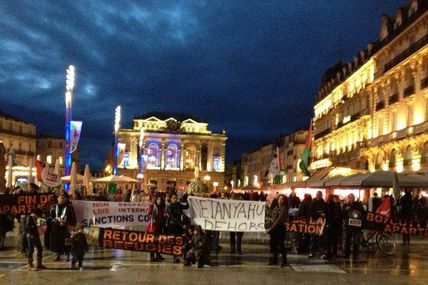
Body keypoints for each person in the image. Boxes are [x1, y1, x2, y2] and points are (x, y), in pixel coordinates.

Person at [49, 195, 76, 261]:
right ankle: (58, 255)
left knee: (67, 241)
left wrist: (71, 225)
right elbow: (51, 217)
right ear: (57, 199)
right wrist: (55, 221)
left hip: (66, 226)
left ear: (65, 199)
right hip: (56, 226)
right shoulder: (54, 207)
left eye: (63, 198)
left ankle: (68, 255)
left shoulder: (69, 207)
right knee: (57, 241)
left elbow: (72, 217)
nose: (62, 200)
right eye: (60, 198)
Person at [266, 194, 288, 267]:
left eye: (282, 199)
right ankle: (275, 260)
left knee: (281, 245)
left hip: (280, 228)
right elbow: (272, 215)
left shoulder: (284, 208)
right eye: (279, 199)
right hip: (274, 228)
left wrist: (270, 228)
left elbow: (278, 220)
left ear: (284, 201)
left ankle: (284, 261)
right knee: (274, 245)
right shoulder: (276, 207)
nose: (280, 200)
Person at [166, 193, 189, 262]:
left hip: (179, 226)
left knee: (180, 241)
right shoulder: (170, 206)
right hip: (173, 225)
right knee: (175, 241)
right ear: (171, 199)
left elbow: (186, 207)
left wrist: (188, 198)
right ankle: (175, 257)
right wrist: (182, 225)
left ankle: (180, 255)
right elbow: (173, 218)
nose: (175, 199)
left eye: (176, 198)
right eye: (173, 198)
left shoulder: (178, 204)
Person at [343, 193, 365, 258]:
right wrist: (346, 210)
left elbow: (363, 213)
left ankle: (355, 254)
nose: (351, 199)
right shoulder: (346, 205)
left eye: (352, 198)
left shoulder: (358, 204)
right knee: (348, 240)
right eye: (350, 197)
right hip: (349, 225)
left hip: (357, 225)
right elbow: (343, 215)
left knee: (356, 240)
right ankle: (347, 254)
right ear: (348, 198)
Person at [322, 195, 342, 259]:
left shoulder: (337, 205)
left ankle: (334, 252)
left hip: (335, 225)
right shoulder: (329, 205)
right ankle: (329, 253)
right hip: (331, 225)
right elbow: (328, 215)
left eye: (337, 199)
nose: (337, 200)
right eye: (336, 199)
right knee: (330, 240)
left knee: (334, 240)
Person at [147, 195, 166, 262]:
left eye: (160, 200)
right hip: (153, 227)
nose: (159, 201)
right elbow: (149, 213)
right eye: (158, 200)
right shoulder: (154, 206)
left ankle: (158, 255)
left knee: (159, 242)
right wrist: (151, 206)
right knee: (153, 242)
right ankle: (152, 257)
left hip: (160, 226)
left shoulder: (163, 207)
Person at [308, 191, 326, 258]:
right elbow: (310, 212)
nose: (318, 196)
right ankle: (312, 252)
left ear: (321, 195)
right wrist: (319, 214)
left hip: (321, 223)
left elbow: (325, 212)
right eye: (318, 194)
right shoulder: (313, 203)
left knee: (321, 238)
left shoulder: (324, 203)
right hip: (315, 222)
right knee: (313, 238)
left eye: (320, 194)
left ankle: (321, 253)